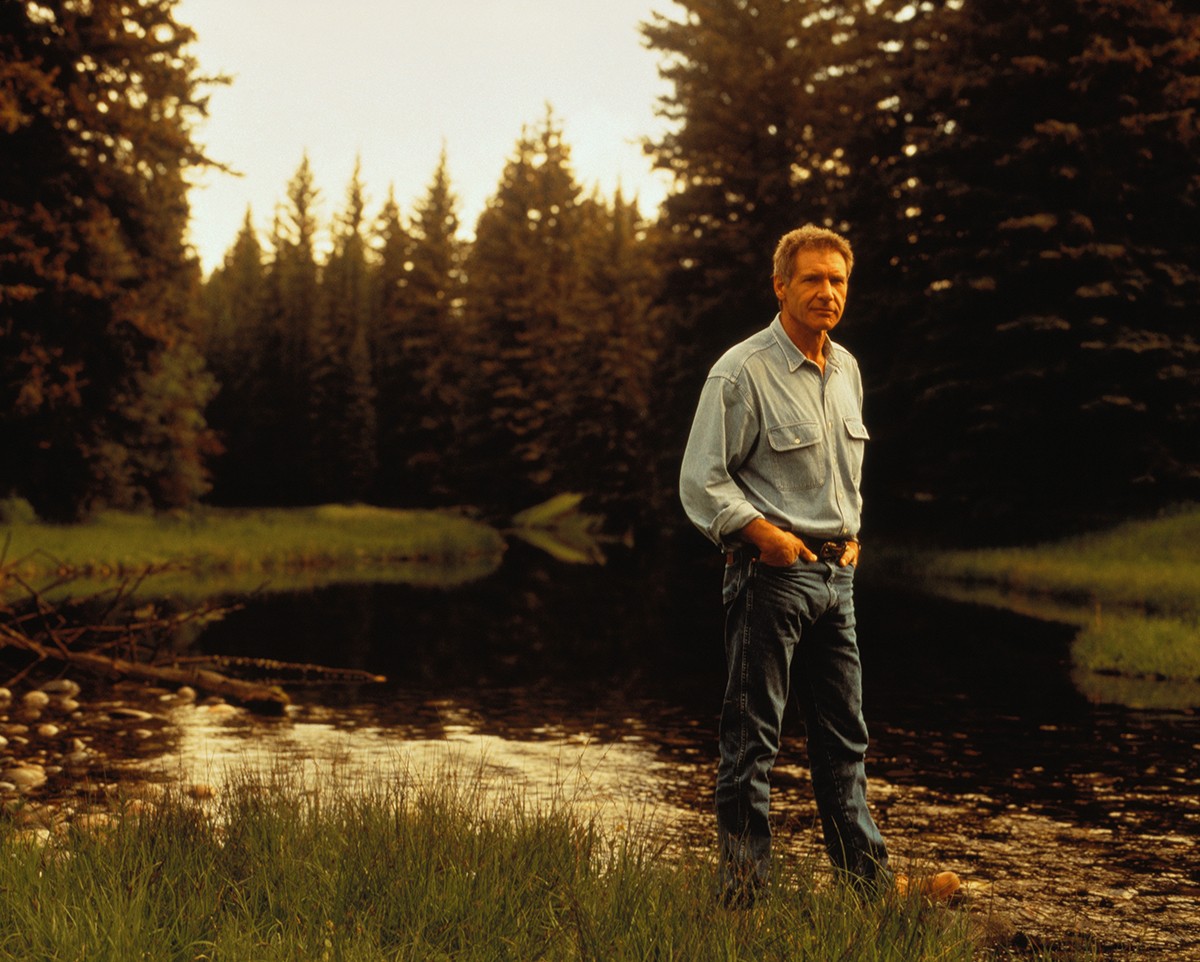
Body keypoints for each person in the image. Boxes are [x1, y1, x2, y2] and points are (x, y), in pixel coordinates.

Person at [679, 224, 957, 906]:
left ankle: (872, 893)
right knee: (753, 746)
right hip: (769, 575)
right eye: (813, 279)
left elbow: (843, 474)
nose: (827, 292)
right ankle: (742, 902)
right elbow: (702, 482)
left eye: (837, 280)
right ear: (781, 286)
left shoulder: (849, 370)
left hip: (838, 582)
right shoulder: (741, 371)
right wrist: (765, 536)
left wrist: (852, 535)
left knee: (846, 743)